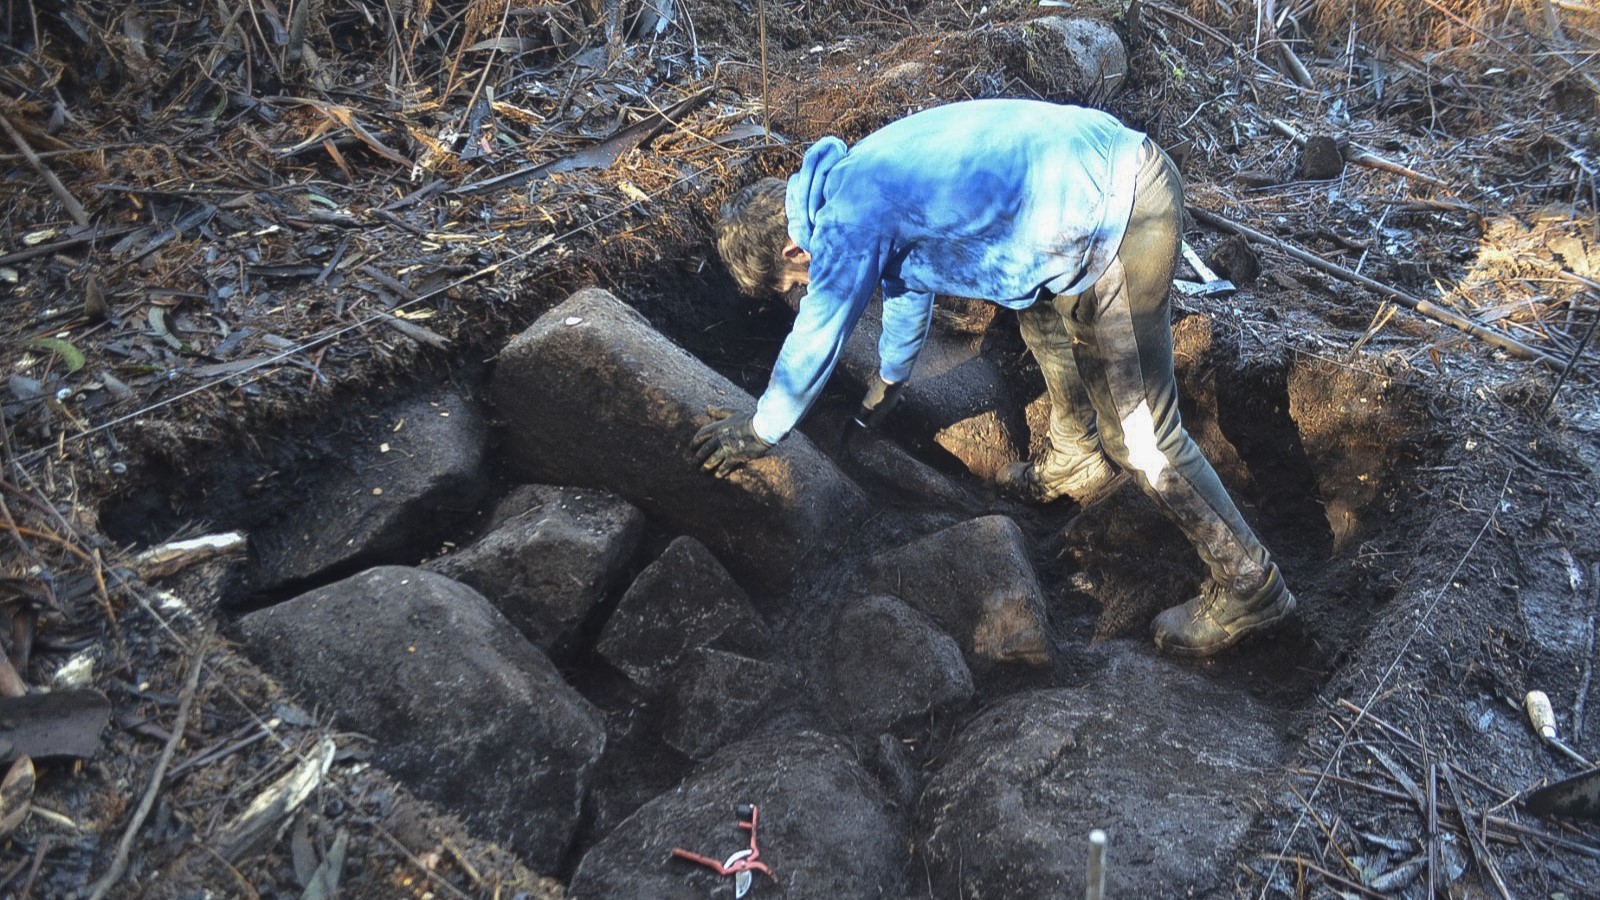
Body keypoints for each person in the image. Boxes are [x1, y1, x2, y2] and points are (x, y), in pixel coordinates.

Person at [692, 98, 1295, 658]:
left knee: (1142, 438)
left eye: (789, 284)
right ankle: (1075, 456)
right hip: (1080, 193)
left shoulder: (847, 218)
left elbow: (819, 332)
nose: (800, 292)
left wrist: (762, 428)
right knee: (1041, 320)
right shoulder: (852, 181)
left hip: (1119, 211)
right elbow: (907, 285)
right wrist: (892, 376)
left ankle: (1250, 586)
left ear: (795, 251)